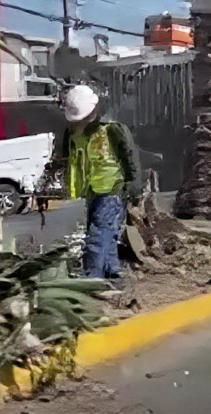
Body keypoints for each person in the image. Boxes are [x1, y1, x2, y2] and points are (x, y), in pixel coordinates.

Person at [59, 84, 141, 282]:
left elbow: (130, 159)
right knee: (108, 235)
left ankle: (92, 278)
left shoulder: (112, 130)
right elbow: (68, 160)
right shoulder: (72, 133)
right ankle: (114, 276)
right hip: (90, 192)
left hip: (112, 190)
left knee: (98, 235)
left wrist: (134, 190)